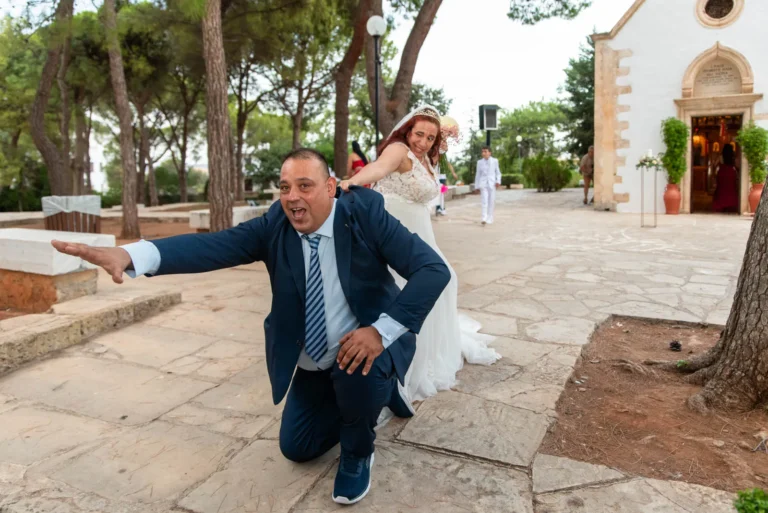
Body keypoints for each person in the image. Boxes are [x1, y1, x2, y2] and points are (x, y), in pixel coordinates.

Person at [50, 149, 450, 506]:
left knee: (356, 380)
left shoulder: (364, 213)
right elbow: (212, 247)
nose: (292, 197)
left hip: (366, 344)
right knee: (298, 448)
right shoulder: (276, 224)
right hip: (314, 359)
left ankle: (360, 447)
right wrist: (129, 253)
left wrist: (380, 332)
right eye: (285, 187)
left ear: (331, 187)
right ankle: (371, 398)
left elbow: (432, 270)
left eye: (305, 186)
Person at [339, 104, 500, 407]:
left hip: (421, 228)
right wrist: (351, 182)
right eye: (419, 134)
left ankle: (432, 350)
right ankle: (406, 359)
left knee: (445, 281)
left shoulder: (427, 159)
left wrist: (442, 139)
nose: (422, 141)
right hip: (395, 226)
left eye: (430, 137)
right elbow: (378, 169)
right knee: (413, 287)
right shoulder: (399, 150)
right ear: (407, 131)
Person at [433, 128, 459, 217]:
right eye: (443, 142)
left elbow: (448, 164)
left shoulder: (444, 156)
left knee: (442, 193)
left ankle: (442, 208)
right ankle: (438, 209)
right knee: (437, 193)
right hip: (435, 176)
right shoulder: (434, 152)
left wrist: (453, 173)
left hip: (442, 176)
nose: (445, 144)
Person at [475, 146, 502, 225]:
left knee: (491, 201)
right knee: (484, 201)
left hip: (492, 183)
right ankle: (484, 217)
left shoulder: (495, 161)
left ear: (490, 153)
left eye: (485, 151)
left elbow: (498, 172)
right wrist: (476, 186)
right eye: (482, 151)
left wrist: (498, 181)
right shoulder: (479, 162)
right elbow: (478, 174)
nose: (483, 153)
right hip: (483, 184)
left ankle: (490, 218)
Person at [712, 143, 739, 213]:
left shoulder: (721, 156)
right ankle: (730, 205)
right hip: (731, 173)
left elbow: (714, 164)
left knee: (721, 189)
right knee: (731, 189)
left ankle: (721, 204)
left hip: (722, 172)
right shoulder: (733, 157)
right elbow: (737, 166)